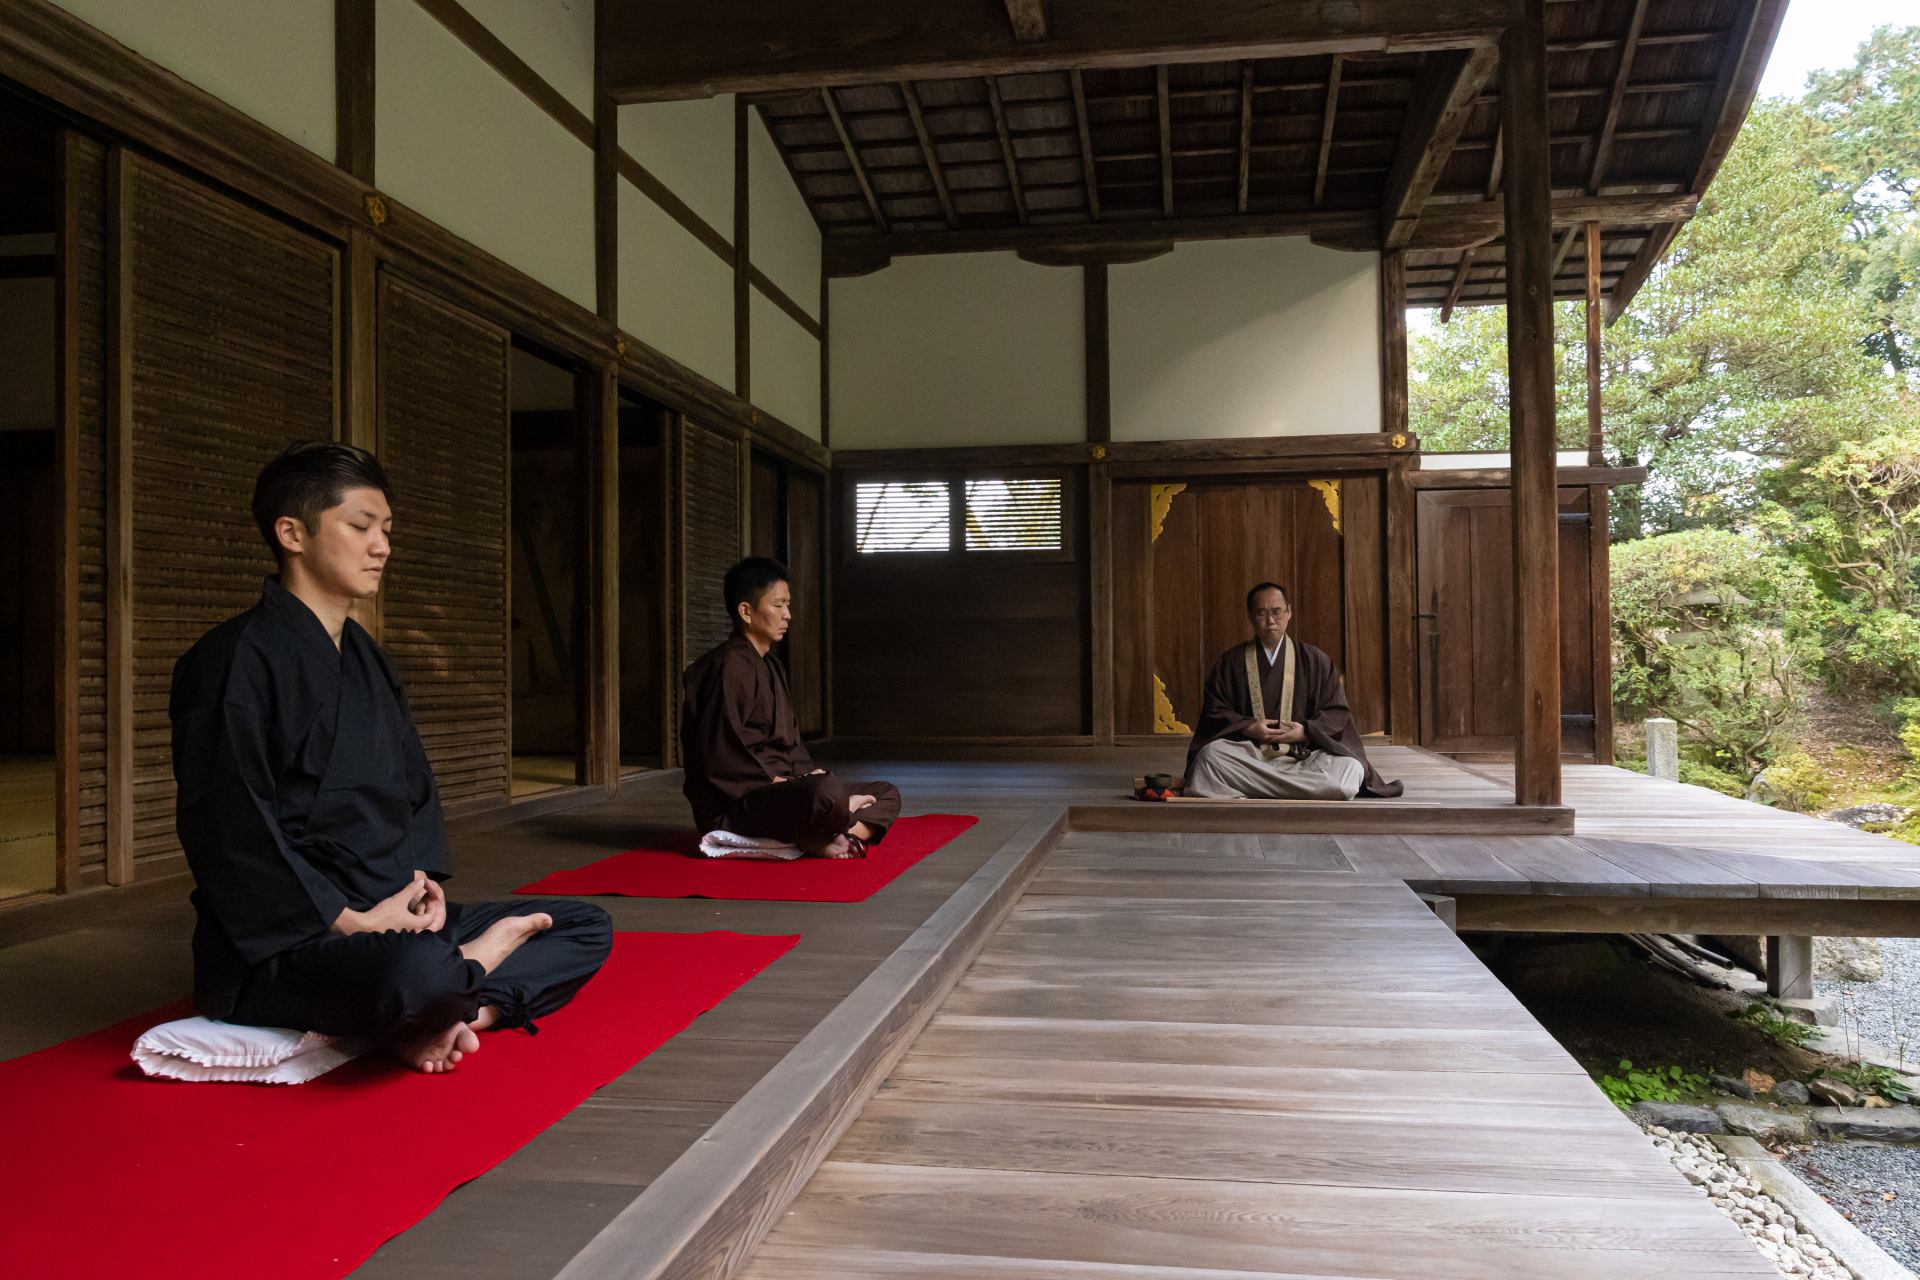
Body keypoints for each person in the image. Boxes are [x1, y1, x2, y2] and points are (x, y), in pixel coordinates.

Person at [170, 441, 612, 1074]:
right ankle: (458, 983)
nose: (382, 546)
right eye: (361, 527)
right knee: (417, 971)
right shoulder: (231, 661)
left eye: (386, 530)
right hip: (295, 943)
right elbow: (230, 828)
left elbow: (413, 788)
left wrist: (423, 887)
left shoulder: (369, 658)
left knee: (583, 923)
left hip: (393, 915)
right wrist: (349, 921)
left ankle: (460, 1012)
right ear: (292, 532)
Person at [681, 556, 900, 857]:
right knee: (827, 795)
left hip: (785, 792)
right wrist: (791, 783)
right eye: (778, 605)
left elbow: (790, 748)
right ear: (746, 611)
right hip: (739, 802)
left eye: (788, 605)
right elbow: (719, 757)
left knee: (885, 792)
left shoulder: (771, 666)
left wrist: (807, 777)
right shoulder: (725, 668)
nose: (788, 615)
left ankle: (832, 831)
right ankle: (834, 827)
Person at [1183, 582, 1403, 800]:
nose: (1270, 621)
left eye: (1277, 612)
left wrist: (1304, 731)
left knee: (1349, 770)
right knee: (1209, 758)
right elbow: (1216, 709)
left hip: (1306, 756)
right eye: (1261, 613)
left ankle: (1249, 788)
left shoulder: (1316, 660)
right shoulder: (1230, 662)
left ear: (1289, 613)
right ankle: (1303, 790)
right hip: (1250, 754)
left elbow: (1336, 713)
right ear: (1250, 616)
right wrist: (1249, 727)